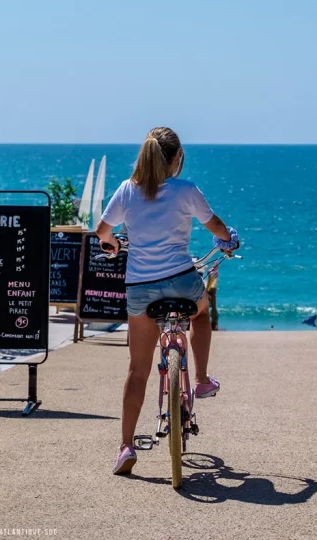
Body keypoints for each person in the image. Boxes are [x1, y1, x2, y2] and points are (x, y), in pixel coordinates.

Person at [96, 126, 239, 476]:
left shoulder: (127, 191)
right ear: (176, 159)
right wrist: (229, 240)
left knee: (137, 369)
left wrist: (112, 243)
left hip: (141, 290)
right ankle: (202, 378)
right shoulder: (186, 191)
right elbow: (217, 227)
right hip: (181, 281)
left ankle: (126, 446)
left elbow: (102, 230)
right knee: (202, 315)